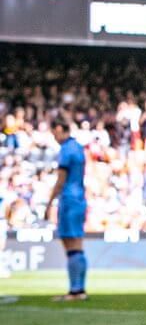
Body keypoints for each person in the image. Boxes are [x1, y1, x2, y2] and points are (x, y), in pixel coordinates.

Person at [45, 119, 88, 301]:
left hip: (69, 200)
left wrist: (49, 202)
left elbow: (61, 179)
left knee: (70, 244)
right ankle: (79, 290)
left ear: (61, 129)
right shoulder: (78, 147)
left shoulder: (65, 150)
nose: (54, 137)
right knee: (77, 244)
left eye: (55, 133)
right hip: (80, 198)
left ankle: (75, 291)